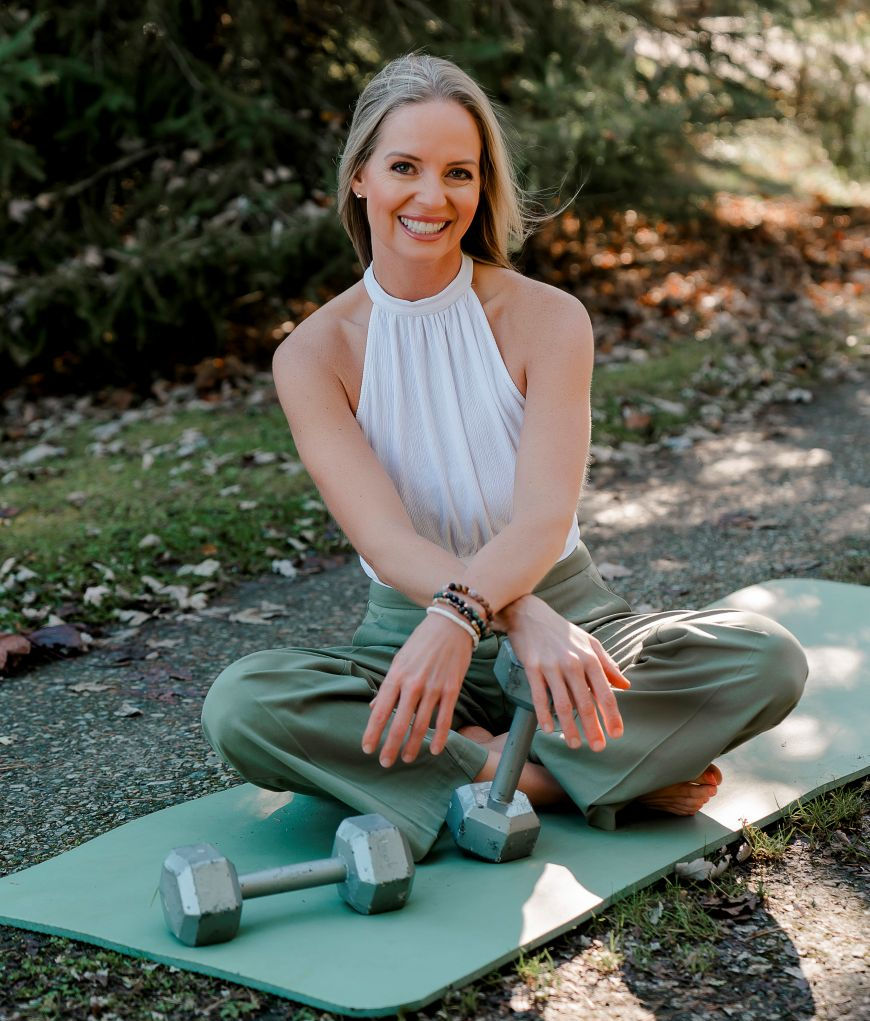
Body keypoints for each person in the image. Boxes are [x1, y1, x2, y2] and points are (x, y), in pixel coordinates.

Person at [200, 53, 809, 863]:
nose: (432, 196)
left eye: (459, 172)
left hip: (572, 615)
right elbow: (385, 540)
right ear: (359, 177)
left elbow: (543, 519)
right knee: (242, 706)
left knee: (767, 657)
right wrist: (498, 614)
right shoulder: (312, 355)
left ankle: (477, 772)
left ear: (482, 186)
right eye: (405, 167)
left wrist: (511, 614)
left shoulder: (549, 318)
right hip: (411, 633)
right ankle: (549, 777)